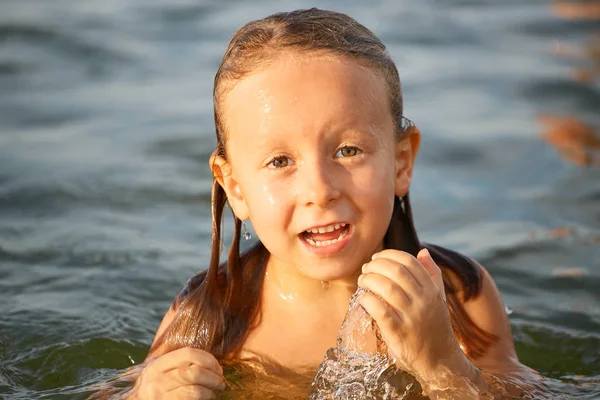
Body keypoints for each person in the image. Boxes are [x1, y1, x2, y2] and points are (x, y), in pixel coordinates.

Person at [109, 8, 544, 399]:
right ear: (235, 187)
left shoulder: (455, 294)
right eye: (280, 161)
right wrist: (144, 395)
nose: (319, 190)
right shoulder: (211, 313)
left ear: (401, 161)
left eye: (348, 151)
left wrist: (442, 363)